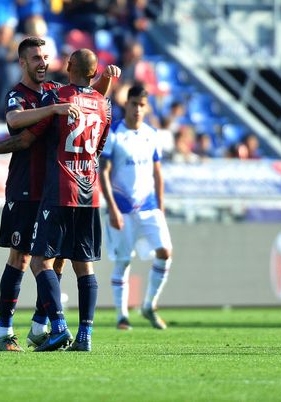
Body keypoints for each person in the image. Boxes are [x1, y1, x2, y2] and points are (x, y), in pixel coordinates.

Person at [0, 38, 119, 352]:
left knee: (54, 260)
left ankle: (40, 327)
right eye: (35, 58)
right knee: (21, 257)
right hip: (26, 186)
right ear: (22, 62)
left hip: (55, 189)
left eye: (45, 57)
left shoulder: (56, 91)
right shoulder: (21, 95)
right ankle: (5, 332)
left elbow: (88, 95)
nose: (42, 62)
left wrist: (105, 80)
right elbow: (17, 126)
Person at [99, 84, 173, 331]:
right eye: (134, 104)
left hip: (149, 207)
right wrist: (112, 208)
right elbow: (104, 173)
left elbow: (157, 173)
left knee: (165, 251)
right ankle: (122, 316)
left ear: (147, 107)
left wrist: (160, 209)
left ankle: (149, 305)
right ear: (127, 104)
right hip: (122, 208)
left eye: (142, 105)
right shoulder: (115, 134)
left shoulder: (152, 134)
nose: (138, 109)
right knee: (123, 260)